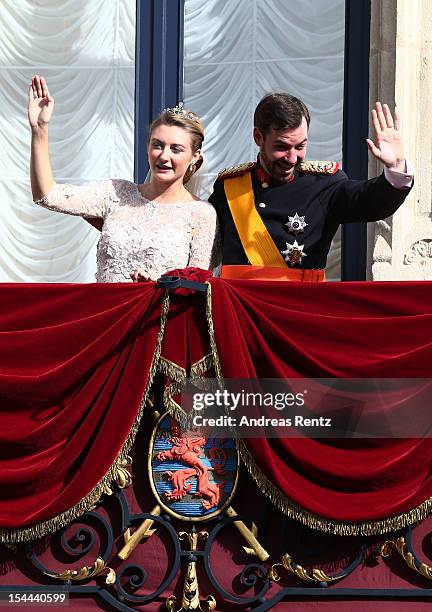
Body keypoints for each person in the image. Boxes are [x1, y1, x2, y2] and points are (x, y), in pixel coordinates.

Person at [28, 75, 219, 283]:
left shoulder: (202, 214)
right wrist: (40, 130)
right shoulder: (116, 193)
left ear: (194, 156)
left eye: (176, 149)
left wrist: (160, 284)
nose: (164, 156)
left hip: (159, 313)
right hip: (105, 309)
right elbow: (47, 195)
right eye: (157, 145)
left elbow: (199, 286)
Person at [209, 93, 413, 281]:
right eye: (281, 147)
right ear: (258, 138)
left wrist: (396, 167)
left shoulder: (324, 184)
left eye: (300, 146)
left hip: (300, 309)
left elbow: (372, 201)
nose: (292, 158)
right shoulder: (228, 187)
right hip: (243, 311)